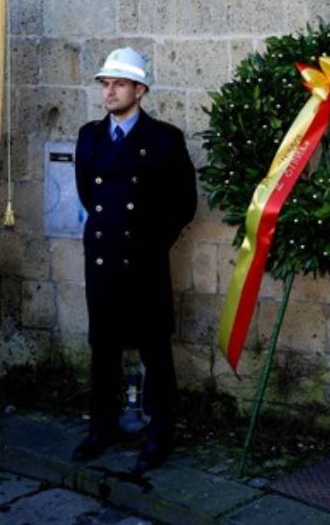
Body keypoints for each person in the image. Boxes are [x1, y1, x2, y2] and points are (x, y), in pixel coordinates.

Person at [72, 47, 197, 475]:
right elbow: (89, 193)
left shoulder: (164, 139)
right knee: (102, 347)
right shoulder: (89, 135)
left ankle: (160, 433)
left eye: (119, 84)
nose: (109, 91)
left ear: (139, 90)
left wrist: (150, 243)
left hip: (143, 262)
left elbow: (183, 204)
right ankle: (100, 428)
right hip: (104, 257)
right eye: (105, 84)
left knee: (155, 349)